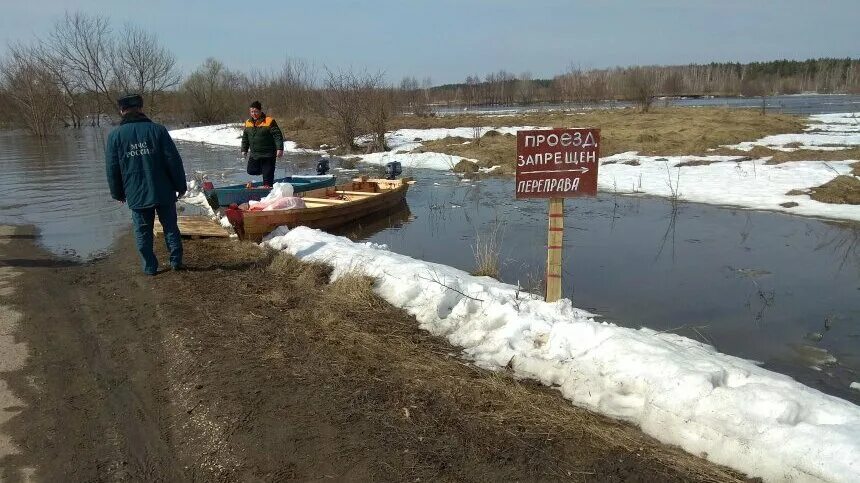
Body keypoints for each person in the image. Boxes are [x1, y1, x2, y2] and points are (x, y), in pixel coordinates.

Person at [106, 94, 187, 275]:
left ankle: (150, 267)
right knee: (170, 227)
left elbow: (112, 168)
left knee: (142, 231)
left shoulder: (115, 136)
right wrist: (180, 185)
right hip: (164, 190)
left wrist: (117, 193)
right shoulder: (158, 130)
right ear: (141, 108)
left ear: (121, 111)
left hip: (136, 192)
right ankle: (176, 261)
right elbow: (173, 160)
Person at [241, 100, 284, 187]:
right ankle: (266, 171)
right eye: (252, 112)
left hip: (268, 154)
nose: (254, 113)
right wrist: (244, 149)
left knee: (267, 178)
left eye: (256, 111)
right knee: (251, 170)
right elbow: (245, 138)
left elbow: (277, 135)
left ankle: (268, 191)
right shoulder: (248, 123)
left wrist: (280, 149)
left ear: (260, 111)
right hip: (255, 154)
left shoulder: (269, 121)